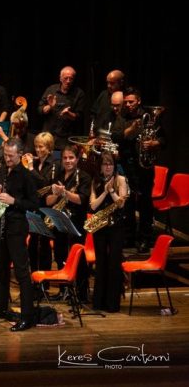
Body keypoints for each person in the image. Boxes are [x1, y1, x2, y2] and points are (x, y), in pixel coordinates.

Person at [0, 139, 39, 331]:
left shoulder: (26, 176)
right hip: (3, 226)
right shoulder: (2, 170)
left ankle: (27, 316)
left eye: (11, 155)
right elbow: (0, 193)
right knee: (1, 269)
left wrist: (13, 201)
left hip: (17, 228)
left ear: (20, 154)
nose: (7, 158)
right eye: (6, 154)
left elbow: (34, 204)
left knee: (21, 272)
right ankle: (2, 308)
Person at [119, 87, 165, 252]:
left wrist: (155, 144)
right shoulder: (122, 116)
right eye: (126, 102)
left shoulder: (150, 116)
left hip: (145, 167)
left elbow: (163, 139)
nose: (128, 105)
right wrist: (130, 129)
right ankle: (129, 237)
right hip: (128, 164)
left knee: (145, 203)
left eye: (131, 102)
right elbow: (117, 137)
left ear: (138, 101)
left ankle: (145, 239)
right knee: (128, 203)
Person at [45, 144, 92, 301]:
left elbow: (82, 200)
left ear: (77, 159)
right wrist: (56, 194)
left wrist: (64, 193)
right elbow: (48, 201)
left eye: (71, 158)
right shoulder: (57, 175)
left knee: (78, 258)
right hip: (59, 222)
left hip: (76, 223)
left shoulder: (84, 177)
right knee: (60, 256)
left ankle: (81, 293)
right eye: (65, 158)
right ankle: (63, 291)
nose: (67, 161)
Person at [89, 152, 128, 312]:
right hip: (100, 227)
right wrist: (104, 191)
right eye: (104, 164)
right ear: (100, 167)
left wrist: (111, 191)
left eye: (110, 164)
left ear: (114, 165)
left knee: (113, 264)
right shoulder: (96, 181)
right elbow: (93, 206)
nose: (107, 167)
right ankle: (99, 302)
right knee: (101, 263)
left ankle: (112, 304)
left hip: (116, 227)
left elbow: (121, 204)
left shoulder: (121, 180)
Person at [22, 132, 57, 272]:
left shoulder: (54, 164)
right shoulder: (35, 162)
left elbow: (45, 184)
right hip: (33, 207)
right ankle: (34, 278)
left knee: (44, 245)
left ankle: (44, 280)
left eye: (41, 147)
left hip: (46, 208)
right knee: (32, 244)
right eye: (36, 146)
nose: (37, 150)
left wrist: (30, 169)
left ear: (49, 147)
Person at [37, 66, 87, 150]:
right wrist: (49, 106)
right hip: (48, 137)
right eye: (65, 78)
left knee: (61, 161)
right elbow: (39, 109)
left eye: (71, 79)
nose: (68, 81)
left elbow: (80, 117)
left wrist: (68, 114)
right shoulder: (51, 90)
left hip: (66, 140)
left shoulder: (79, 94)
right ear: (60, 78)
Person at [90, 69, 125, 134]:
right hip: (98, 136)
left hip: (113, 137)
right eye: (107, 83)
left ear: (121, 83)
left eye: (112, 83)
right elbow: (93, 114)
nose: (108, 86)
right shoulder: (103, 95)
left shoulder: (125, 97)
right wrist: (91, 129)